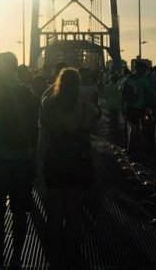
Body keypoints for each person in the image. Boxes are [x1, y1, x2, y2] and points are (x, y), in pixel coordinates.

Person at [0, 52, 39, 268]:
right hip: (23, 160)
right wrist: (33, 158)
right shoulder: (28, 93)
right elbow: (35, 130)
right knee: (20, 212)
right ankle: (17, 257)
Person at [41, 68, 100, 267]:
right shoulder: (85, 108)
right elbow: (96, 113)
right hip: (78, 161)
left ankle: (55, 255)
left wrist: (55, 84)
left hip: (55, 160)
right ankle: (74, 255)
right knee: (75, 211)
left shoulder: (49, 105)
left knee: (55, 211)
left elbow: (43, 99)